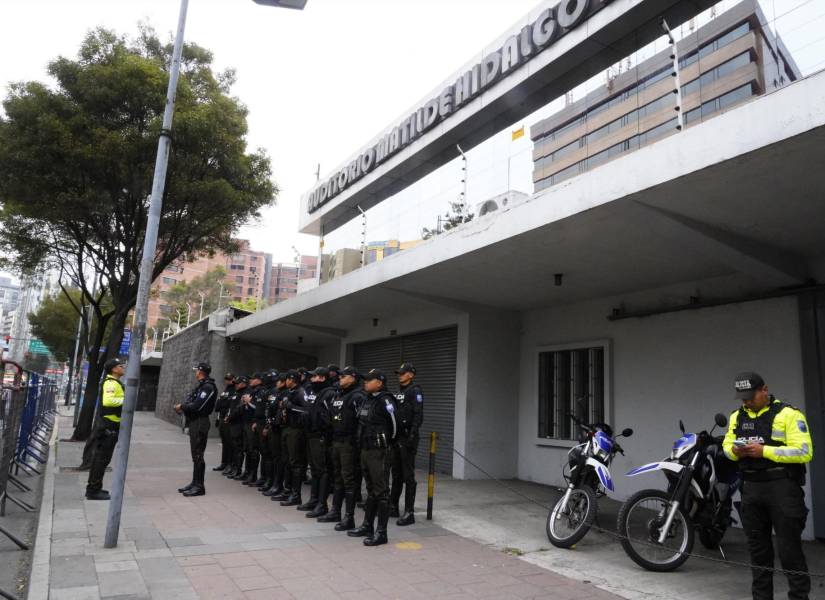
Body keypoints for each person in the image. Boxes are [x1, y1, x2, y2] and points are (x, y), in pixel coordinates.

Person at [722, 372, 813, 600]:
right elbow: (726, 446)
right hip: (751, 488)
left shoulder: (788, 414)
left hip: (782, 487)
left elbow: (804, 451)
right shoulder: (737, 416)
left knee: (790, 552)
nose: (747, 402)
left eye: (751, 396)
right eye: (743, 398)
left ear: (764, 390)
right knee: (758, 553)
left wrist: (765, 451)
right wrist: (734, 451)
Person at [348, 369, 396, 547]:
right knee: (370, 490)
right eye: (365, 380)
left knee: (381, 491)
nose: (365, 382)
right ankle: (367, 526)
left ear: (380, 383)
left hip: (379, 451)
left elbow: (395, 426)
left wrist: (387, 444)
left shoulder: (385, 400)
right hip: (365, 450)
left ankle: (381, 532)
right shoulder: (368, 399)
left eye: (369, 380)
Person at [318, 366, 364, 531]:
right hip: (336, 441)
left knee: (348, 480)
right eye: (340, 376)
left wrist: (357, 443)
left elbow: (362, 422)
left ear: (353, 377)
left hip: (348, 443)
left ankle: (349, 517)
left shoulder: (357, 396)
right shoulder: (339, 394)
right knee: (337, 478)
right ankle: (335, 511)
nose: (340, 378)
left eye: (344, 376)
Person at [174, 362, 218, 497]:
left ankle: (199, 487)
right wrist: (183, 407)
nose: (195, 373)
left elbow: (198, 406)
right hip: (195, 422)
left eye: (196, 370)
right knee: (195, 455)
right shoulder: (201, 386)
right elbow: (191, 402)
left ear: (200, 371)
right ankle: (194, 483)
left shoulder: (208, 387)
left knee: (198, 455)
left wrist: (182, 407)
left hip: (200, 422)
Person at [85, 358, 126, 500]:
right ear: (114, 369)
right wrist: (126, 401)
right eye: (120, 366)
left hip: (110, 425)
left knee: (102, 459)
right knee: (101, 459)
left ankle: (95, 488)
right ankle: (93, 490)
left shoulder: (115, 382)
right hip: (108, 426)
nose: (123, 367)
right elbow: (108, 401)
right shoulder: (110, 383)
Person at [390, 362, 424, 525]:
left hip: (407, 438)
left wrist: (412, 434)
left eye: (403, 373)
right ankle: (393, 507)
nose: (400, 376)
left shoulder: (415, 390)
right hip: (397, 438)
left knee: (408, 475)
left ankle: (409, 512)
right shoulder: (400, 392)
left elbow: (418, 415)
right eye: (399, 373)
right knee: (396, 474)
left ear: (411, 374)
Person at [302, 367, 336, 518]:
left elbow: (330, 418)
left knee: (322, 471)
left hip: (321, 436)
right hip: (311, 435)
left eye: (314, 376)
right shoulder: (314, 392)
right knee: (315, 470)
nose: (311, 379)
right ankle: (313, 500)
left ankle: (322, 505)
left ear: (322, 378)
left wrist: (324, 430)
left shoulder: (329, 393)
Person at [280, 370, 308, 507]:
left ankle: (296, 495)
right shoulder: (288, 392)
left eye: (287, 379)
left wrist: (291, 407)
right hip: (286, 428)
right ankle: (287, 491)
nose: (286, 381)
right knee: (286, 461)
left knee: (295, 462)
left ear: (293, 380)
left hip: (296, 430)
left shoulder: (300, 392)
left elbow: (307, 410)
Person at [240, 372, 263, 485]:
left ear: (259, 380)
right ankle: (248, 472)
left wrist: (249, 402)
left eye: (253, 379)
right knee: (248, 449)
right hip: (246, 421)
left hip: (253, 423)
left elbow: (259, 408)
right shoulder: (252, 390)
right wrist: (245, 401)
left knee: (253, 450)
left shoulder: (261, 391)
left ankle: (253, 475)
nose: (251, 381)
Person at [226, 376, 248, 479]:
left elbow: (239, 409)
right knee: (234, 447)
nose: (236, 385)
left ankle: (237, 470)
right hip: (233, 423)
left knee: (239, 448)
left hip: (239, 423)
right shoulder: (236, 393)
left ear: (243, 383)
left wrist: (230, 417)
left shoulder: (245, 393)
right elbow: (231, 407)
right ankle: (234, 467)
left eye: (238, 383)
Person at [213, 373, 235, 473]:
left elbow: (230, 406)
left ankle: (230, 464)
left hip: (228, 419)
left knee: (229, 443)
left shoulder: (234, 390)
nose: (227, 381)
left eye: (229, 379)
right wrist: (218, 419)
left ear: (233, 379)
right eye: (226, 379)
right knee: (224, 442)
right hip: (222, 418)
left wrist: (223, 406)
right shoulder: (225, 390)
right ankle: (224, 463)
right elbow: (218, 405)